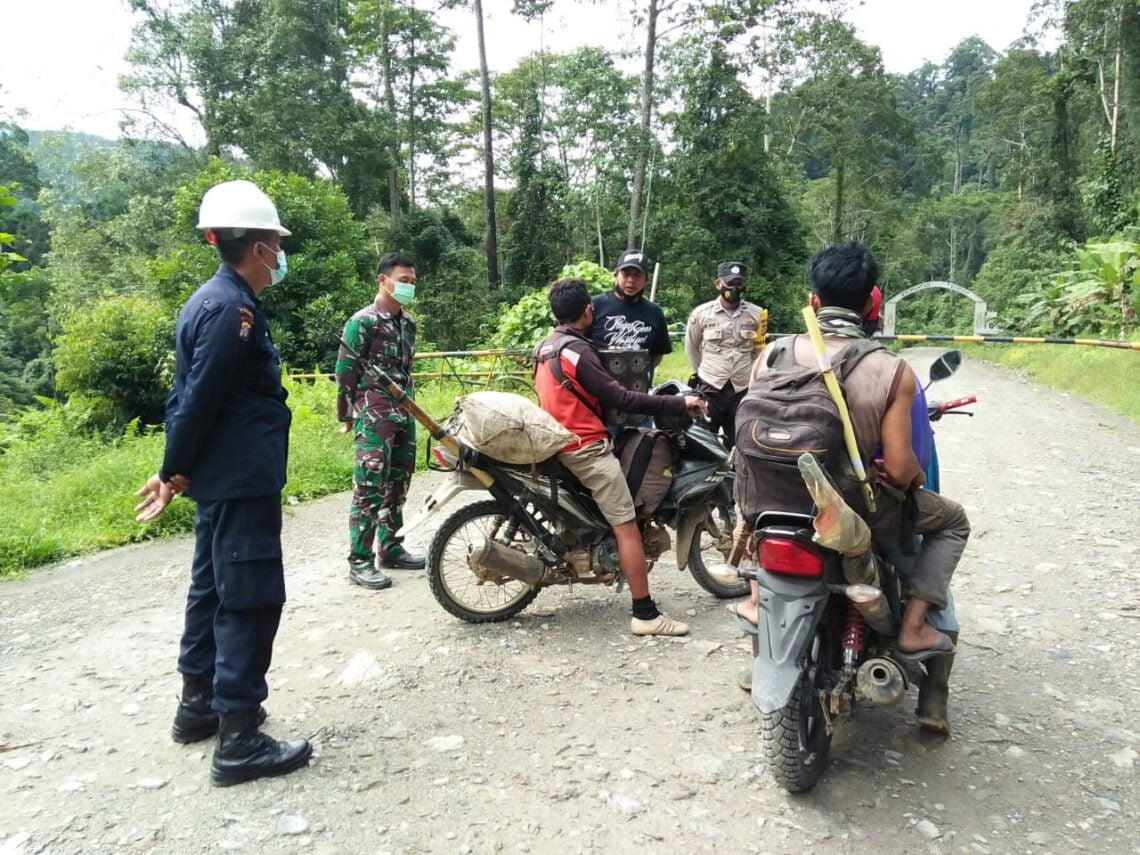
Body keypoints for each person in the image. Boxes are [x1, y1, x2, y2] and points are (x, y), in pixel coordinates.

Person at [736, 243, 970, 730]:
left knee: (754, 524)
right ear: (872, 303)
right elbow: (902, 470)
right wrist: (912, 478)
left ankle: (758, 604)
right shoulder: (891, 370)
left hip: (772, 506)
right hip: (856, 513)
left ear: (813, 300)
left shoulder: (771, 355)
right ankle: (913, 626)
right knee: (953, 521)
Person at [133, 179, 311, 787]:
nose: (280, 254)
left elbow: (190, 397)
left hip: (224, 476)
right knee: (249, 597)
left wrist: (178, 467)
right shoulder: (230, 309)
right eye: (276, 243)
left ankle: (198, 707)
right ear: (259, 246)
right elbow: (198, 399)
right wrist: (169, 469)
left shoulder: (211, 299)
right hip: (238, 479)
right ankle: (240, 738)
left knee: (211, 589)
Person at [535, 278, 707, 637]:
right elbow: (623, 399)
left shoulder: (546, 346)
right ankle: (644, 613)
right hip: (585, 449)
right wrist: (679, 403)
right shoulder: (578, 352)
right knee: (626, 523)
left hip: (557, 441)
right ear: (587, 311)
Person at [334, 251, 423, 591]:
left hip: (404, 412)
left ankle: (391, 547)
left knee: (399, 483)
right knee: (370, 486)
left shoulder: (408, 323)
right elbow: (345, 372)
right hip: (373, 415)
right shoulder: (363, 322)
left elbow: (406, 369)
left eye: (413, 282)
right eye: (403, 281)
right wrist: (345, 415)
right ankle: (359, 560)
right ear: (383, 281)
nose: (409, 287)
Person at [684, 261, 764, 450]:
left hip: (741, 389)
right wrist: (703, 373)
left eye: (739, 283)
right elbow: (692, 348)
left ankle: (736, 478)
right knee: (703, 442)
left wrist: (752, 378)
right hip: (710, 388)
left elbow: (759, 350)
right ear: (718, 284)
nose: (734, 288)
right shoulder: (701, 314)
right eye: (730, 283)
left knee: (739, 442)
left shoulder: (757, 314)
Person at [589, 249, 672, 368]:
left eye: (637, 275)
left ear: (646, 280)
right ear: (615, 275)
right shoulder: (594, 306)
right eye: (626, 274)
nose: (631, 280)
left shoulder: (655, 312)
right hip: (597, 383)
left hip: (636, 384)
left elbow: (658, 355)